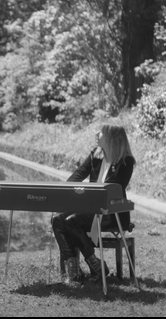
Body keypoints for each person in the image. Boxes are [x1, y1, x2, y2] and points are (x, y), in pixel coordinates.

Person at [52, 122, 136, 285]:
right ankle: (76, 271)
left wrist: (85, 197)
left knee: (71, 221)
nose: (97, 133)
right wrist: (64, 191)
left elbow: (114, 190)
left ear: (112, 138)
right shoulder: (95, 155)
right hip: (89, 208)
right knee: (57, 219)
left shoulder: (126, 161)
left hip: (110, 213)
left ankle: (95, 266)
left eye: (101, 132)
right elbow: (77, 176)